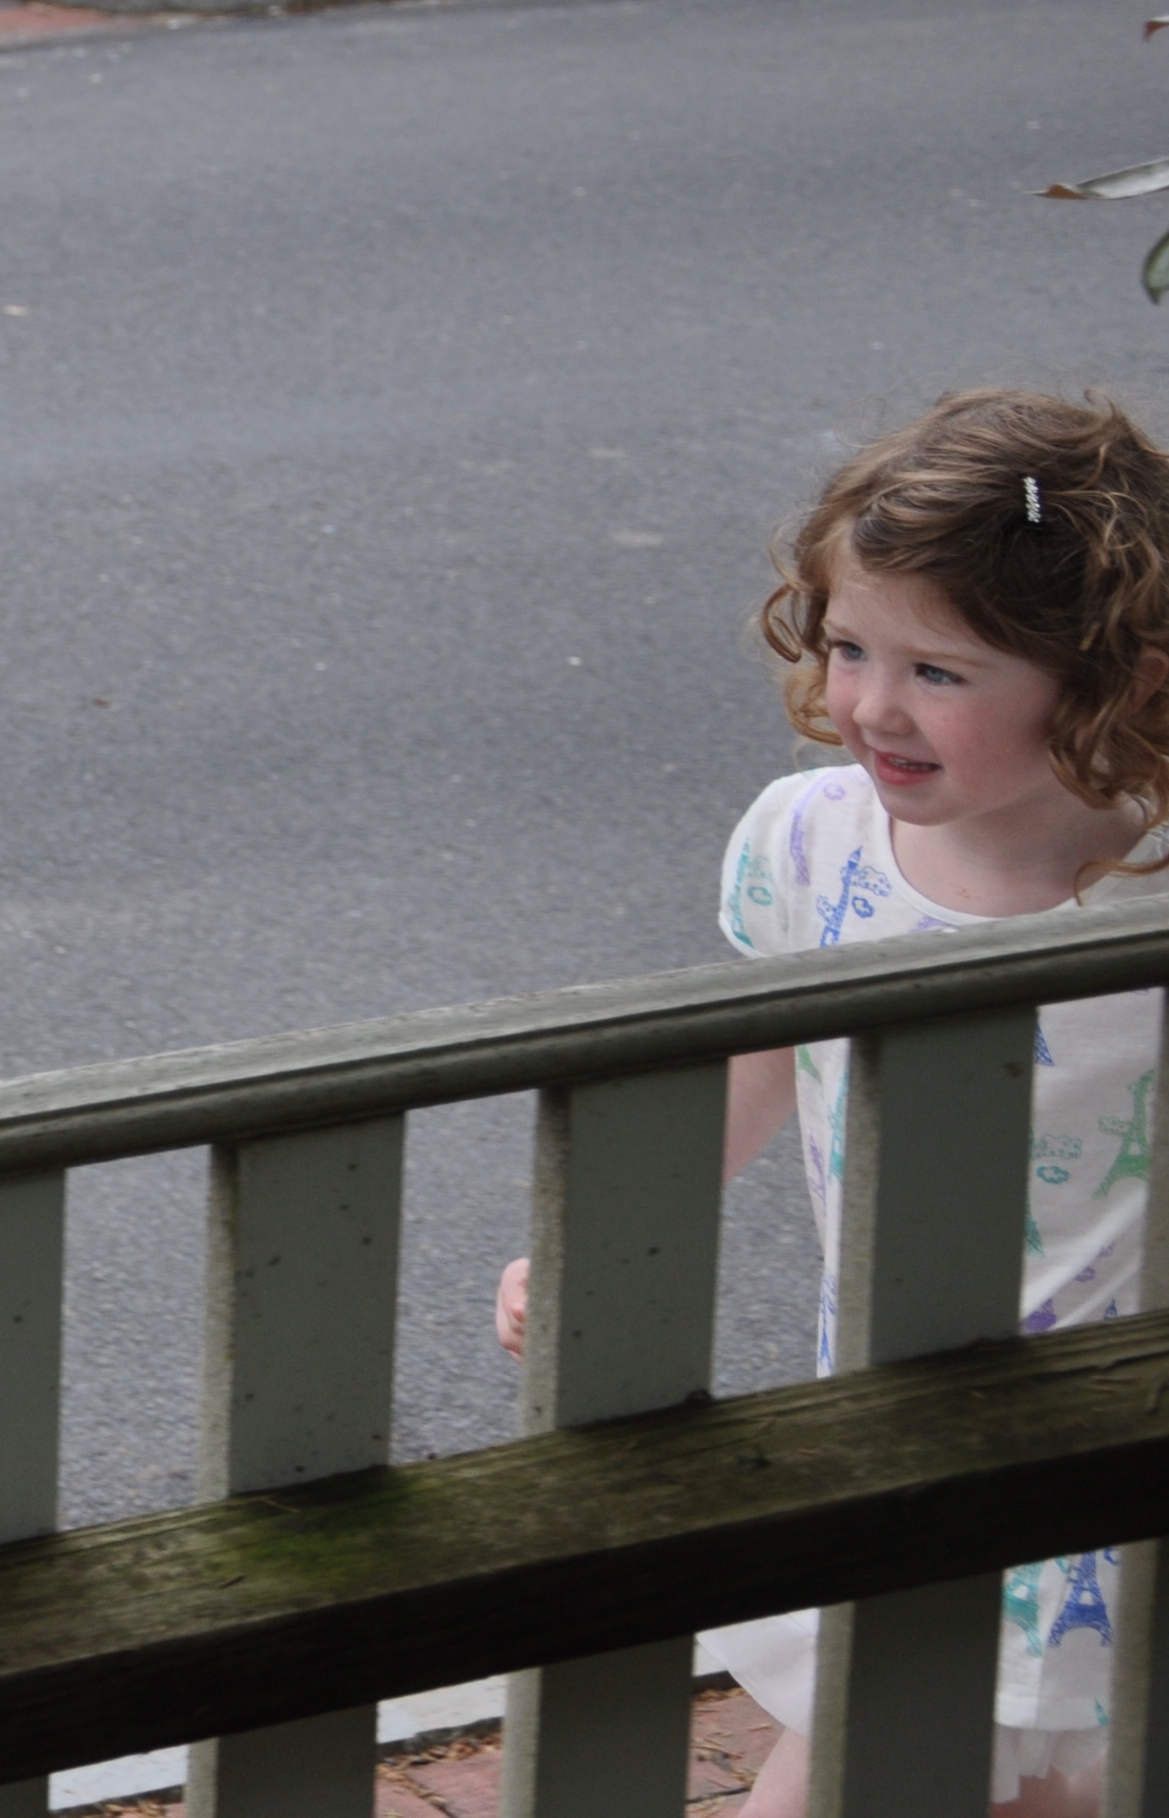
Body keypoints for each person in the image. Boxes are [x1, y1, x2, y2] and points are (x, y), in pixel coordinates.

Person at [495, 389, 1169, 1818]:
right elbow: (751, 1068)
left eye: (940, 670)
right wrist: (606, 1240)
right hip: (903, 1435)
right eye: (852, 646)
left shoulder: (1154, 893)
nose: (870, 705)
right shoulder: (809, 845)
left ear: (1111, 679)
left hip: (1114, 1453)